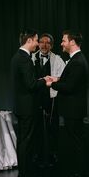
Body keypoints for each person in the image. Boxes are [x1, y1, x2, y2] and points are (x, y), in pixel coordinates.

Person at [46, 30, 89, 177]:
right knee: (76, 143)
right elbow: (70, 81)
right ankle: (79, 173)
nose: (61, 43)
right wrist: (57, 79)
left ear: (72, 42)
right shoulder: (77, 60)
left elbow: (70, 87)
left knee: (77, 143)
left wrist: (52, 85)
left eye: (64, 40)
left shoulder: (77, 61)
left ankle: (80, 176)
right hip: (73, 109)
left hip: (74, 110)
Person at [10, 29, 47, 177]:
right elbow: (31, 85)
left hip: (22, 106)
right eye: (37, 40)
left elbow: (27, 83)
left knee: (25, 142)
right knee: (26, 143)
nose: (38, 44)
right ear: (30, 40)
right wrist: (45, 81)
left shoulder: (18, 57)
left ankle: (25, 176)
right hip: (27, 108)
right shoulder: (24, 59)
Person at [32, 33, 65, 167]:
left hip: (51, 97)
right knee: (36, 126)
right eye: (42, 42)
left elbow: (62, 76)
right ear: (38, 43)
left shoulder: (57, 59)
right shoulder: (31, 58)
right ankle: (36, 153)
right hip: (36, 97)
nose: (44, 45)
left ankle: (53, 153)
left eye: (47, 43)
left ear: (51, 45)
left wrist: (52, 80)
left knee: (53, 126)